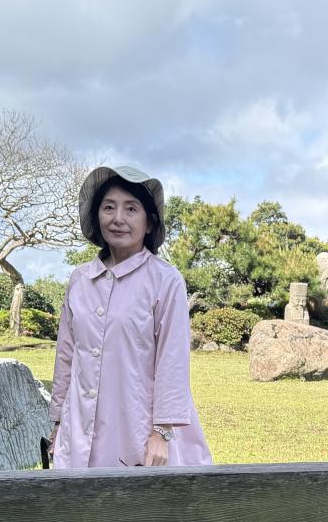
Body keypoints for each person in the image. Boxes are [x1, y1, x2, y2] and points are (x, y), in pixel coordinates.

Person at [47, 165, 212, 469]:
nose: (118, 218)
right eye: (109, 207)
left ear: (149, 223)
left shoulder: (165, 280)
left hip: (139, 427)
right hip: (79, 425)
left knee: (134, 498)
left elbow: (172, 360)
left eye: (131, 208)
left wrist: (161, 432)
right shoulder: (80, 280)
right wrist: (58, 422)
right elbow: (66, 356)